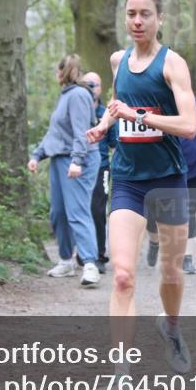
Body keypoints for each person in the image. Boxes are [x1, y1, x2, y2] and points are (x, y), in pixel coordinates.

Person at [86, 0, 196, 390]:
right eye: (131, 13)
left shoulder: (174, 66)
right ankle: (121, 375)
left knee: (170, 274)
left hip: (168, 177)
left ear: (159, 18)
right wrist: (106, 125)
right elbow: (118, 107)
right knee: (124, 275)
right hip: (128, 179)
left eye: (145, 14)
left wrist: (138, 115)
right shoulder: (118, 61)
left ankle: (170, 325)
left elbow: (187, 126)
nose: (136, 21)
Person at [28, 54, 102, 287]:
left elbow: (82, 131)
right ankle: (66, 261)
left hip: (79, 161)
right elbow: (55, 133)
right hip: (60, 159)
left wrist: (77, 160)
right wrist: (37, 155)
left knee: (77, 211)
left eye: (56, 71)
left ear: (62, 72)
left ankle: (90, 263)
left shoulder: (79, 95)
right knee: (58, 213)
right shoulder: (65, 96)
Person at [144, 98, 196, 274]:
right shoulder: (152, 102)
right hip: (160, 168)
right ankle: (154, 241)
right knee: (153, 212)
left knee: (188, 211)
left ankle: (187, 257)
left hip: (192, 169)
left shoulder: (194, 104)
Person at [81, 71, 118, 274]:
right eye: (86, 84)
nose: (90, 88)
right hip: (79, 167)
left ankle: (100, 255)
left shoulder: (107, 114)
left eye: (93, 84)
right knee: (81, 209)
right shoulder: (78, 111)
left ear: (100, 88)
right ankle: (84, 253)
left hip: (101, 167)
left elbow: (115, 146)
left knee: (97, 210)